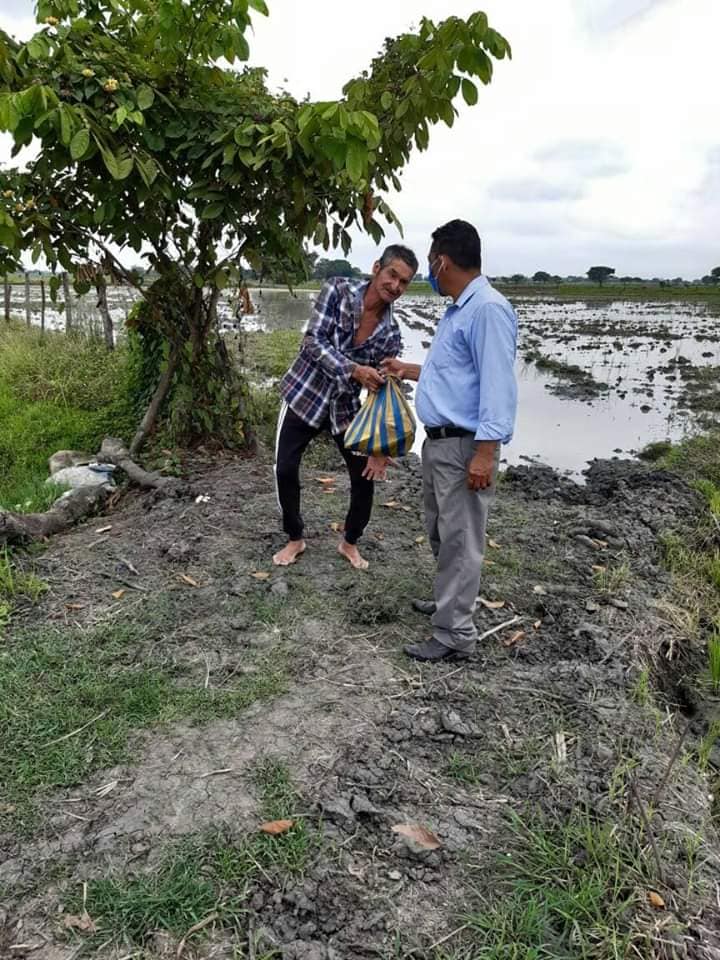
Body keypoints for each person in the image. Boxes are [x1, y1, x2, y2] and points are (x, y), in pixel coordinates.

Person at [381, 220, 518, 661]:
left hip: (465, 447)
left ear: (442, 261)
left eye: (430, 262)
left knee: (460, 540)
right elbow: (456, 375)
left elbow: (497, 386)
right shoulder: (461, 309)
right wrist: (408, 370)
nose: (429, 272)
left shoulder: (487, 310)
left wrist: (485, 453)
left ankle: (455, 634)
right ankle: (449, 600)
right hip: (441, 444)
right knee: (442, 531)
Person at [273, 245, 418, 570]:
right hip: (304, 395)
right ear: (377, 268)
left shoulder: (390, 333)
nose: (395, 286)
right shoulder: (337, 290)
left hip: (345, 410)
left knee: (364, 477)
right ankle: (295, 538)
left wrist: (379, 447)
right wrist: (353, 370)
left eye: (404, 282)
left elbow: (382, 389)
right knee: (285, 469)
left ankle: (349, 542)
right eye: (392, 275)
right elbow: (313, 341)